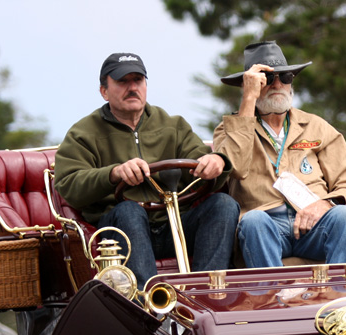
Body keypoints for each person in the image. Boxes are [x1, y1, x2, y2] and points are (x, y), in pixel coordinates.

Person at [56, 52, 239, 288]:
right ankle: (149, 303)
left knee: (223, 205)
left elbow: (198, 157)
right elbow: (69, 185)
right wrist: (114, 173)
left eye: (138, 80)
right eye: (123, 81)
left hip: (175, 225)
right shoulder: (82, 133)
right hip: (120, 232)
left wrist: (216, 161)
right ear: (104, 91)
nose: (132, 87)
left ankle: (206, 296)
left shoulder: (173, 125)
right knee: (129, 211)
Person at [213, 41, 346, 268]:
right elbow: (233, 167)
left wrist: (323, 205)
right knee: (254, 221)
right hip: (266, 226)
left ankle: (340, 299)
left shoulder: (316, 126)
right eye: (268, 78)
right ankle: (272, 301)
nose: (278, 84)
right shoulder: (228, 129)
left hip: (315, 223)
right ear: (251, 84)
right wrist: (248, 100)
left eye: (285, 77)